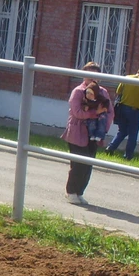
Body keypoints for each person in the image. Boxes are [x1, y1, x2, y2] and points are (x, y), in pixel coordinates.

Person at [61, 61, 112, 205]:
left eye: (95, 76)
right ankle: (71, 192)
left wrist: (103, 128)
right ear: (84, 76)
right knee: (78, 163)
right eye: (89, 75)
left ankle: (79, 192)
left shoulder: (103, 92)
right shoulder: (78, 91)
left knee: (89, 164)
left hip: (95, 133)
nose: (92, 79)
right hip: (77, 132)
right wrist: (95, 114)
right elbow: (77, 112)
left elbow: (110, 112)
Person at [105, 66, 139, 161]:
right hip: (134, 111)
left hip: (122, 108)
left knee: (122, 131)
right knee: (133, 134)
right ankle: (128, 155)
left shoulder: (126, 78)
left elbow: (118, 91)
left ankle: (110, 148)